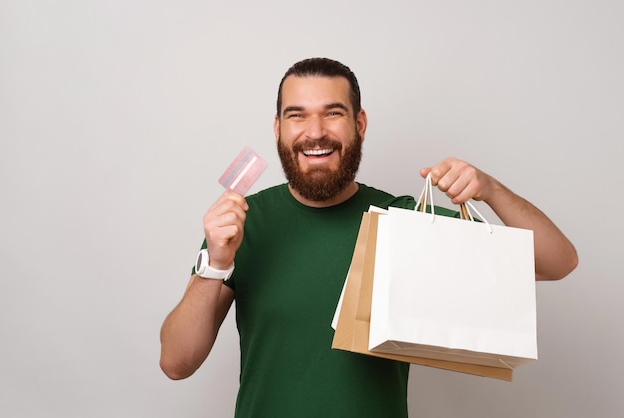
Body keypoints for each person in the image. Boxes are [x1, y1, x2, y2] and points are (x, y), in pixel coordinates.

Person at [159, 57, 578, 417]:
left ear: (359, 123)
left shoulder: (405, 221)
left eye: (333, 112)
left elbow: (557, 262)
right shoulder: (242, 225)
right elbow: (177, 363)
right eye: (297, 114)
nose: (315, 131)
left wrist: (490, 189)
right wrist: (214, 263)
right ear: (278, 129)